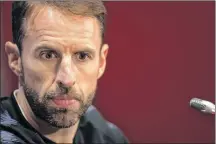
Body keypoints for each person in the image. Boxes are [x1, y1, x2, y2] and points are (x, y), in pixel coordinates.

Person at [0, 1, 129, 143]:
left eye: (82, 56)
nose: (67, 79)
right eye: (48, 55)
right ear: (15, 59)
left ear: (101, 62)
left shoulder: (106, 136)